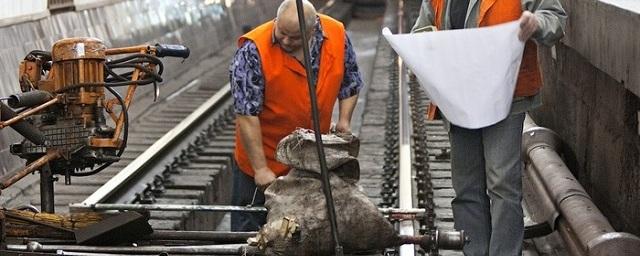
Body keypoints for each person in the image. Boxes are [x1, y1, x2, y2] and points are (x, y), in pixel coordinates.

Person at [411, 0, 566, 255]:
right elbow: (421, 29)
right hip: (458, 97)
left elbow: (555, 17)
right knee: (466, 186)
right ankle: (475, 251)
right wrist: (431, 45)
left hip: (506, 97)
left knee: (502, 184)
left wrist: (536, 23)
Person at [228, 0, 363, 232]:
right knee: (249, 231)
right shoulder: (253, 51)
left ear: (313, 30)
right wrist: (260, 169)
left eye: (294, 37)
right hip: (264, 160)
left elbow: (350, 82)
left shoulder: (336, 35)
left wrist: (344, 121)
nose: (286, 41)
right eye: (281, 32)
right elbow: (246, 114)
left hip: (310, 159)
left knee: (306, 229)